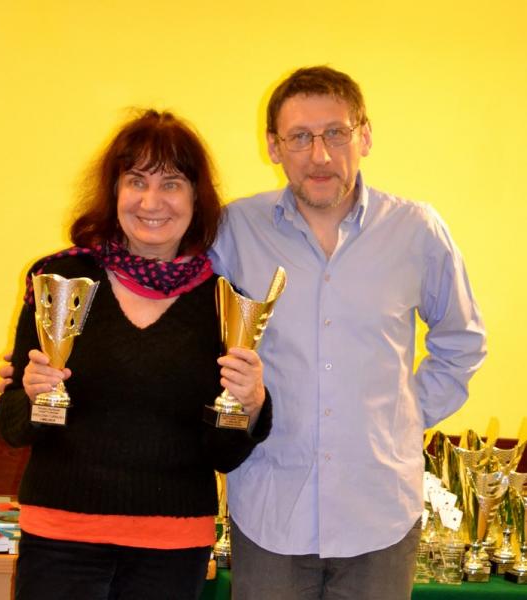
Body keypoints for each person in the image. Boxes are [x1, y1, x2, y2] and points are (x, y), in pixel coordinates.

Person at [206, 66, 486, 599]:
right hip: (270, 510)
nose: (320, 155)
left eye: (336, 133)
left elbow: (462, 343)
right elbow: (177, 310)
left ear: (365, 136)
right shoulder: (234, 230)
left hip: (379, 514)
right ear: (273, 146)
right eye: (300, 137)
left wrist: (407, 416)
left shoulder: (417, 231)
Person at [0, 109, 271, 600]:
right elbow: (13, 425)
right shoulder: (60, 280)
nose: (151, 201)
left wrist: (251, 407)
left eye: (171, 184)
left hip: (173, 548)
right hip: (60, 537)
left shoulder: (226, 304)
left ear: (196, 198)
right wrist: (34, 397)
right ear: (114, 191)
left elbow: (224, 455)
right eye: (136, 181)